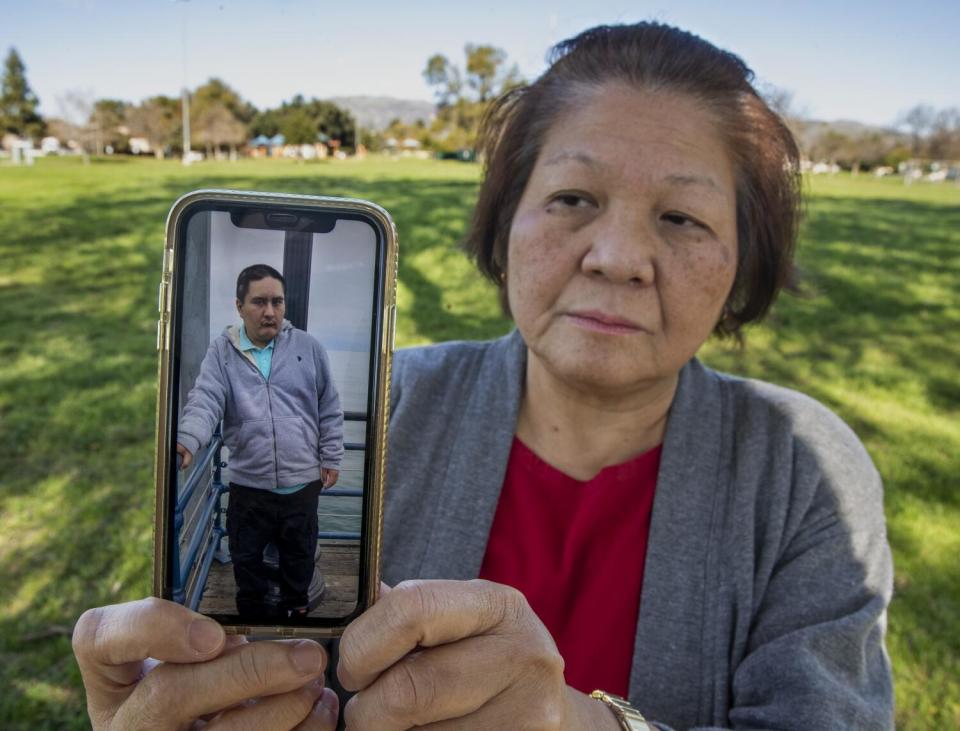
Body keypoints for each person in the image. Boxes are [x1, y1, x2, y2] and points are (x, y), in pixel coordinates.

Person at [73, 22, 893, 731]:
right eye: (573, 198)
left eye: (681, 217)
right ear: (505, 226)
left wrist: (585, 722)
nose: (615, 258)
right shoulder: (394, 405)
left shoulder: (804, 471)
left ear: (743, 261)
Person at [176, 264, 344, 620]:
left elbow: (329, 406)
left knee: (299, 558)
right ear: (239, 306)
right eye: (259, 302)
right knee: (247, 559)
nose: (270, 312)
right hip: (249, 487)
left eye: (277, 302)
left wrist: (331, 456)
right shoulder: (221, 352)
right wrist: (188, 438)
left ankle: (296, 615)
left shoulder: (309, 348)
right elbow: (206, 399)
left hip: (303, 484)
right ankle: (250, 621)